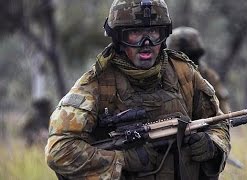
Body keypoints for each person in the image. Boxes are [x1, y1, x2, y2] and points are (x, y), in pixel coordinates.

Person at [45, 0, 230, 180]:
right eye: (135, 33)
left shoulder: (184, 73)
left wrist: (212, 146)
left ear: (164, 35)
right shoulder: (97, 85)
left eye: (153, 32)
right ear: (119, 38)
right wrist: (122, 160)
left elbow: (218, 122)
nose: (146, 42)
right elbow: (59, 150)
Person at [167, 26, 231, 113]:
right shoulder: (164, 77)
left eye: (191, 57)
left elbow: (224, 113)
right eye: (179, 59)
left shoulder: (208, 76)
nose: (186, 64)